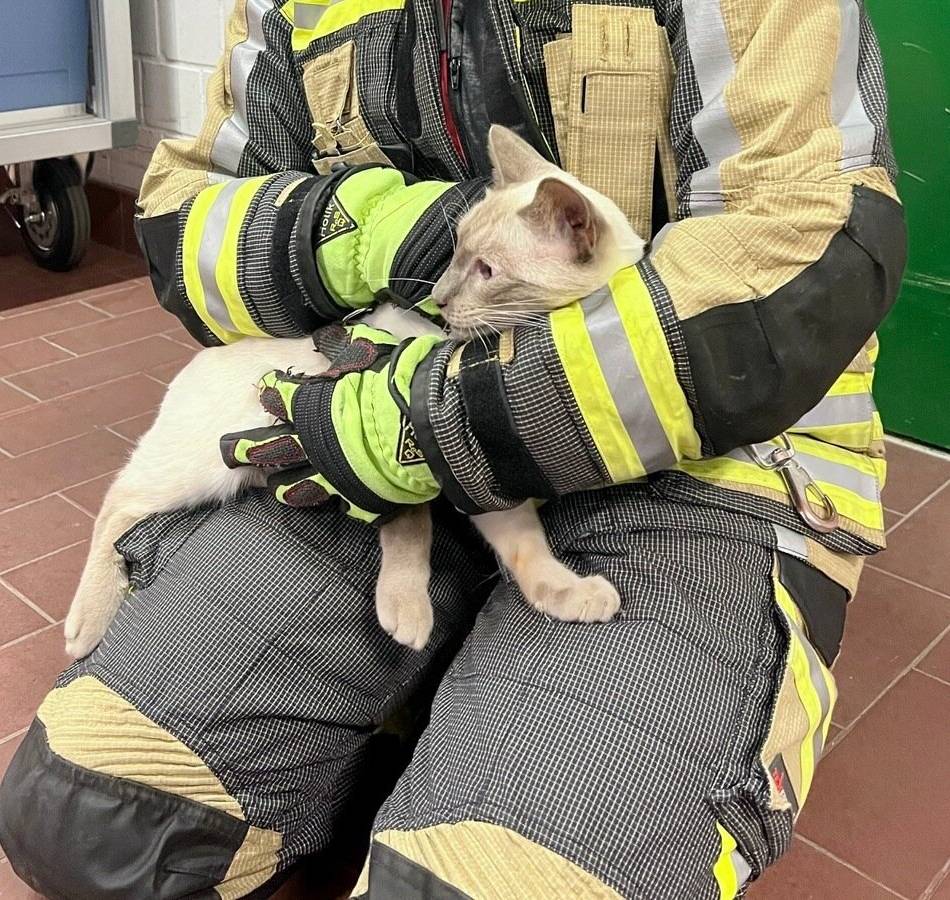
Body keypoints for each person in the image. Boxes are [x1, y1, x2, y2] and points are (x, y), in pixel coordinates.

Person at [0, 1, 905, 897]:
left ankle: (448, 705)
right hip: (371, 429)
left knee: (477, 886)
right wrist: (360, 237)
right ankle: (424, 687)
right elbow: (182, 223)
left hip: (703, 462)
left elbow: (804, 238)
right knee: (89, 811)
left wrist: (446, 422)